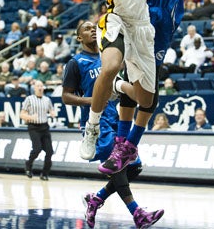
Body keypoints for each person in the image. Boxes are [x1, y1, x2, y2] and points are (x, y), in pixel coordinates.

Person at [80, 0, 194, 173]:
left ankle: (119, 86)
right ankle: (92, 126)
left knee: (146, 98)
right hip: (116, 19)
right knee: (109, 66)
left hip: (143, 28)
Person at [62, 20, 164, 228]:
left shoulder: (109, 56)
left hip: (115, 118)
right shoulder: (76, 62)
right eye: (87, 29)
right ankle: (137, 213)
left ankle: (96, 199)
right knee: (117, 169)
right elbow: (66, 96)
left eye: (94, 28)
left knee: (133, 167)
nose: (92, 30)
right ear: (79, 38)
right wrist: (94, 100)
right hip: (96, 122)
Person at [20, 80, 57, 180]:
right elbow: (22, 114)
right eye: (38, 86)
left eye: (41, 86)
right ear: (34, 88)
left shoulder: (47, 100)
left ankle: (44, 173)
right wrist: (31, 117)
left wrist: (53, 113)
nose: (40, 88)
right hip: (33, 127)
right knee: (37, 149)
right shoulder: (29, 99)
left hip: (44, 126)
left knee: (49, 151)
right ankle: (28, 165)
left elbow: (51, 110)